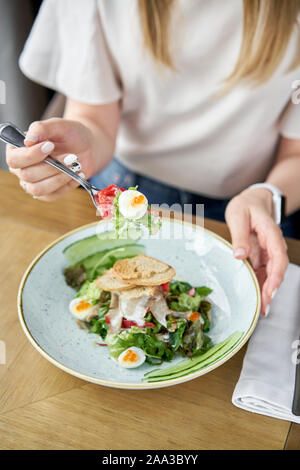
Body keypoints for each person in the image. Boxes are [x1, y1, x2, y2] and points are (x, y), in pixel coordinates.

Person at [6, 0, 300, 316]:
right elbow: (95, 117)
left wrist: (267, 198)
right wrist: (83, 144)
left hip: (250, 211)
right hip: (126, 191)